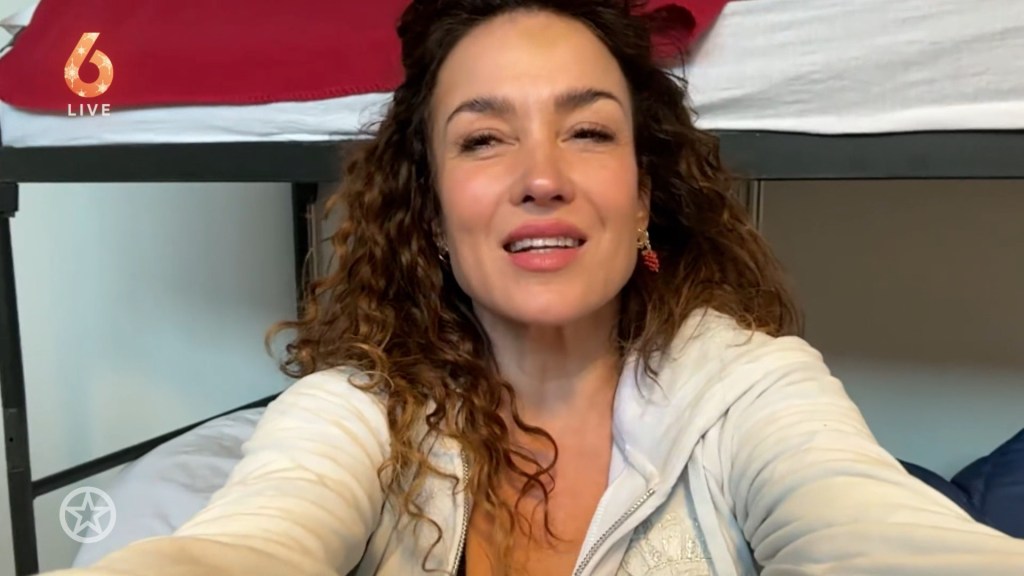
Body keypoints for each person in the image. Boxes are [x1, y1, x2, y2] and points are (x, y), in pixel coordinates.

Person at [48, 1, 1024, 575]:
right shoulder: (352, 411)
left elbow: (877, 536)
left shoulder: (753, 389)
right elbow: (252, 542)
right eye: (483, 138)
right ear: (432, 214)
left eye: (588, 131)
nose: (542, 175)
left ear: (642, 197)